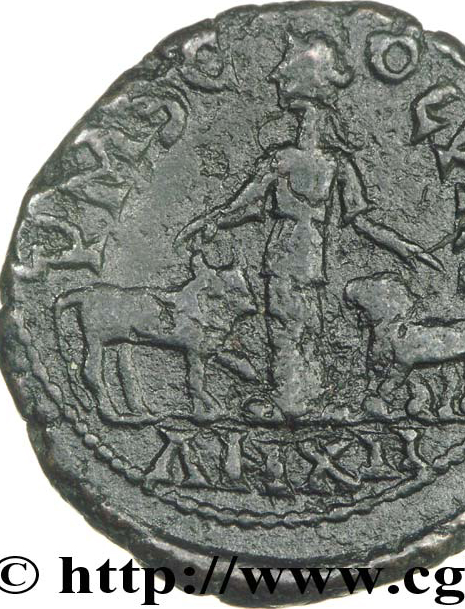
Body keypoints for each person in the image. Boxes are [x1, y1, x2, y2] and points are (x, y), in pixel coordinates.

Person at [177, 31, 441, 421]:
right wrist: (210, 221)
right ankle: (299, 399)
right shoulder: (308, 161)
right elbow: (242, 207)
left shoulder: (308, 162)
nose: (275, 77)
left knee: (294, 324)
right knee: (297, 323)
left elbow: (244, 208)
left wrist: (406, 248)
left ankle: (296, 402)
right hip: (299, 254)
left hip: (291, 254)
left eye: (284, 70)